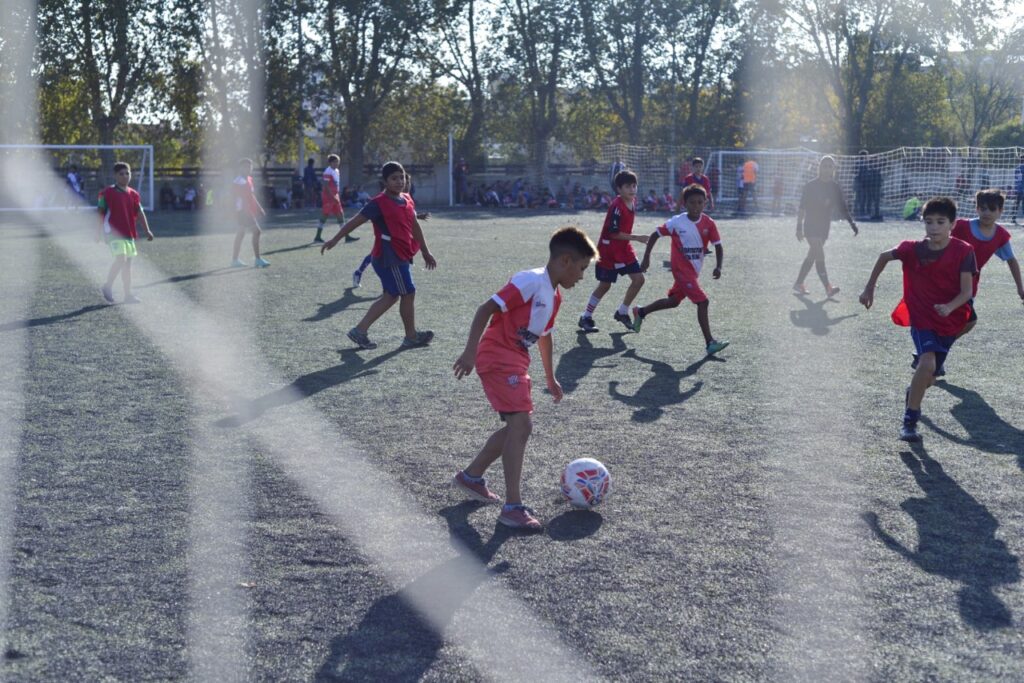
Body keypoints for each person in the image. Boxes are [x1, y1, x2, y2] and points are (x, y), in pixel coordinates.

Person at [452, 226, 596, 530]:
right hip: (497, 356)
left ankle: (472, 477)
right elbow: (485, 309)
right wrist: (469, 352)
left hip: (516, 360)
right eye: (582, 268)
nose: (582, 276)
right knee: (522, 425)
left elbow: (544, 336)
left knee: (516, 428)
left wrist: (550, 377)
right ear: (565, 261)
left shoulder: (555, 296)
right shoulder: (530, 280)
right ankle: (513, 507)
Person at [858, 197, 976, 442]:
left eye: (940, 222)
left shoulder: (964, 251)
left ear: (952, 224)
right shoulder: (912, 249)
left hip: (950, 319)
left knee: (928, 377)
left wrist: (949, 307)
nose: (934, 227)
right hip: (921, 316)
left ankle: (914, 391)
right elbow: (883, 256)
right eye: (928, 221)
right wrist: (869, 288)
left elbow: (967, 292)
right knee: (928, 363)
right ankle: (909, 422)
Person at [321, 161, 437, 349]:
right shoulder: (378, 203)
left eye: (402, 177)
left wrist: (425, 250)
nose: (399, 181)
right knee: (407, 292)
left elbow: (414, 225)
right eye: (394, 178)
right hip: (388, 257)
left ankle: (360, 331)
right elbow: (355, 221)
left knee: (392, 295)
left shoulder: (406, 198)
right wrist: (335, 239)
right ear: (385, 182)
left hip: (400, 254)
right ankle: (411, 336)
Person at [631, 183, 729, 355]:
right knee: (703, 302)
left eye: (700, 202)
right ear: (684, 203)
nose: (696, 206)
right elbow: (655, 234)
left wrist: (718, 266)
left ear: (705, 203)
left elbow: (718, 246)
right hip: (680, 270)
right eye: (692, 202)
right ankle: (710, 343)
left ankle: (641, 312)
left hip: (693, 272)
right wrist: (647, 257)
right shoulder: (677, 222)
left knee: (673, 302)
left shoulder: (709, 223)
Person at [578, 170, 648, 333]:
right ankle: (586, 317)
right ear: (619, 189)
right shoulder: (616, 206)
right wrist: (637, 237)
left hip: (624, 249)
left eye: (634, 186)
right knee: (605, 285)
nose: (632, 189)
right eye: (627, 186)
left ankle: (622, 312)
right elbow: (613, 233)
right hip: (608, 251)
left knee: (639, 280)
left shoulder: (632, 201)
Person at [950, 189, 1024, 339]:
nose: (987, 213)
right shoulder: (961, 226)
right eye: (983, 208)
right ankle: (936, 347)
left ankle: (939, 347)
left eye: (992, 209)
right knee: (963, 319)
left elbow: (1011, 260)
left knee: (967, 321)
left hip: (969, 285)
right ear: (977, 208)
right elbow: (937, 239)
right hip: (946, 278)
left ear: (1000, 211)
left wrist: (1020, 288)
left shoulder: (1000, 235)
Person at [793, 156, 858, 297]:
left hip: (824, 227)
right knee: (819, 254)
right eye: (824, 166)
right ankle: (828, 287)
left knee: (813, 255)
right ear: (819, 168)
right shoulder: (810, 186)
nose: (827, 169)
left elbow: (843, 207)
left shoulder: (835, 187)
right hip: (810, 226)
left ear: (833, 169)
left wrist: (852, 223)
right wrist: (798, 228)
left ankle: (798, 283)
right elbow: (802, 208)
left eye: (830, 166)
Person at [352, 173, 430, 289]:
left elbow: (405, 215)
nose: (406, 185)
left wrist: (417, 216)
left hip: (402, 236)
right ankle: (359, 272)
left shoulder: (405, 198)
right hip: (388, 237)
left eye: (407, 182)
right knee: (376, 255)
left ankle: (392, 285)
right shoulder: (388, 198)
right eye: (405, 182)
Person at [96, 162, 154, 304]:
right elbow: (100, 212)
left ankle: (128, 295)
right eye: (121, 174)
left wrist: (147, 230)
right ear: (115, 176)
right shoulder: (107, 192)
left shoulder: (134, 194)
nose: (125, 176)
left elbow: (139, 212)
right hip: (113, 232)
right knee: (121, 259)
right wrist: (97, 231)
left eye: (127, 173)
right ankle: (108, 286)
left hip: (129, 233)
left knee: (127, 265)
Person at [231, 158, 270, 268]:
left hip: (245, 211)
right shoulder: (239, 181)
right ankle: (257, 259)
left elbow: (251, 196)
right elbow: (238, 197)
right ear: (240, 168)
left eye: (250, 166)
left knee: (241, 234)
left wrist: (259, 207)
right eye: (245, 166)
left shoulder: (248, 179)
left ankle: (235, 260)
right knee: (257, 231)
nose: (248, 168)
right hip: (244, 211)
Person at [315, 154, 354, 244]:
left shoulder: (336, 171)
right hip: (328, 197)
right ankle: (317, 236)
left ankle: (347, 236)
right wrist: (333, 196)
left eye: (338, 162)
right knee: (325, 215)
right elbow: (325, 185)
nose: (337, 163)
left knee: (340, 215)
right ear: (330, 163)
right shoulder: (328, 171)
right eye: (335, 162)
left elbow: (335, 185)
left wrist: (336, 196)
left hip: (335, 197)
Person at [1013, 154, 1024, 224]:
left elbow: (1016, 178)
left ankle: (1013, 218)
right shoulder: (1021, 168)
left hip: (1017, 189)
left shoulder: (1017, 168)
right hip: (1022, 189)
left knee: (1016, 204)